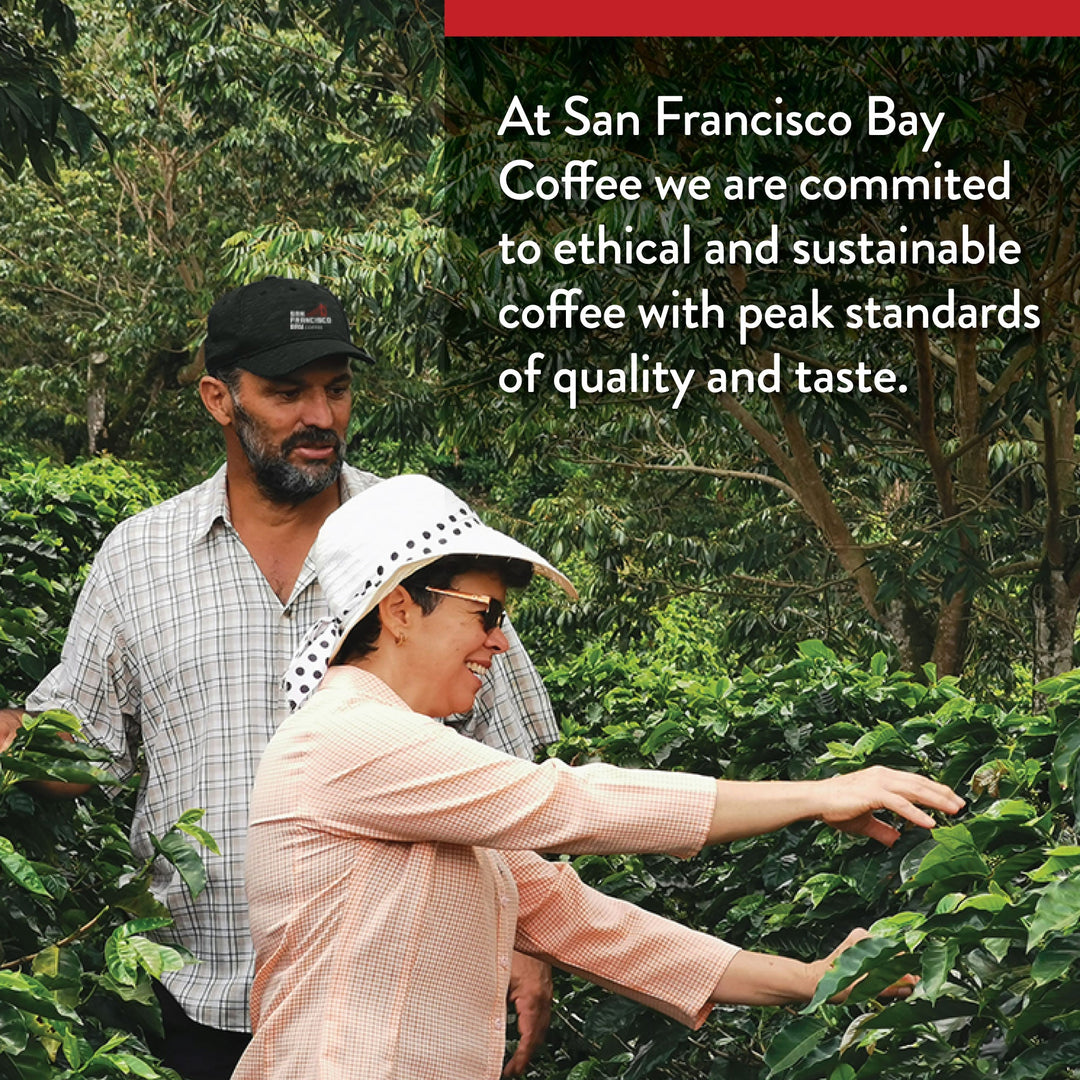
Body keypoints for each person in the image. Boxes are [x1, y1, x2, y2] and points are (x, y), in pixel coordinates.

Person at [0, 278, 556, 1079]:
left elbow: (505, 768)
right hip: (196, 1006)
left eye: (336, 389)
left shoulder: (425, 541)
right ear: (219, 398)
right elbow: (74, 749)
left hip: (392, 1009)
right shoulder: (139, 558)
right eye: (288, 393)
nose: (321, 418)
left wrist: (529, 933)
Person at [236, 474, 966, 1080]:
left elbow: (584, 925)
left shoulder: (418, 775)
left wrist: (812, 978)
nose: (499, 639)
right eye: (485, 612)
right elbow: (568, 802)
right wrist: (819, 794)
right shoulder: (347, 738)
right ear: (399, 608)